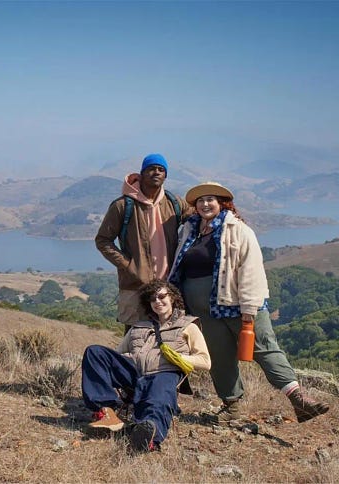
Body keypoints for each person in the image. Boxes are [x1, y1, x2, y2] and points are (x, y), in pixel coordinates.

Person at [168, 181, 329, 423]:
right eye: (200, 200)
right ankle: (232, 406)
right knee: (219, 357)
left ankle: (299, 399)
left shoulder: (238, 230)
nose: (205, 204)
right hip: (205, 312)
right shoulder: (190, 231)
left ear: (222, 203)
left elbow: (251, 269)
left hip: (238, 305)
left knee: (264, 348)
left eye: (210, 199)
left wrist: (249, 309)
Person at [81, 280, 211, 454]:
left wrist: (179, 358)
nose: (157, 301)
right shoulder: (138, 327)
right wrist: (128, 357)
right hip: (134, 373)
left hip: (164, 373)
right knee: (95, 352)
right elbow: (117, 354)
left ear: (172, 298)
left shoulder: (189, 326)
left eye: (162, 296)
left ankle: (148, 436)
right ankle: (106, 411)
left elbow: (205, 361)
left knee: (158, 398)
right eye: (152, 298)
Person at [95, 153, 192, 327]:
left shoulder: (174, 203)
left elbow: (197, 219)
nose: (156, 172)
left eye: (161, 169)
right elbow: (103, 240)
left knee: (168, 336)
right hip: (136, 285)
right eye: (151, 169)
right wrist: (128, 265)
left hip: (168, 285)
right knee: (135, 337)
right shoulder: (123, 206)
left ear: (165, 175)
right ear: (141, 174)